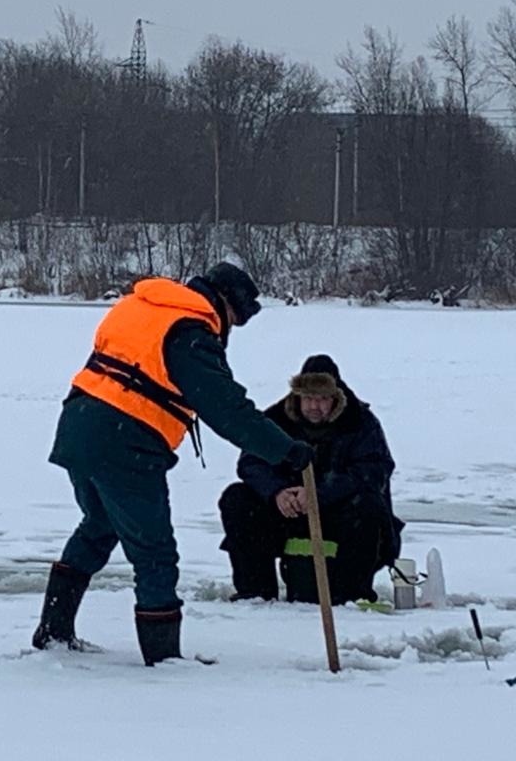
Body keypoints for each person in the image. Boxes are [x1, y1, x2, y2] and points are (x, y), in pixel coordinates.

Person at [32, 262, 315, 666]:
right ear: (224, 304)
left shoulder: (144, 306)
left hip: (78, 426)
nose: (230, 329)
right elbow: (226, 409)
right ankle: (164, 661)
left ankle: (54, 631)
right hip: (124, 441)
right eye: (235, 319)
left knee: (99, 526)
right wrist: (285, 450)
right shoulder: (190, 332)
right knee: (155, 553)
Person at [217, 354, 404, 605]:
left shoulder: (360, 422)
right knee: (237, 498)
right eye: (308, 398)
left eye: (322, 399)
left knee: (368, 506)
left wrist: (319, 494)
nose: (314, 406)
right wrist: (277, 492)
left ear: (335, 397)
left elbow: (373, 471)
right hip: (287, 512)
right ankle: (256, 593)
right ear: (297, 396)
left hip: (340, 515)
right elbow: (252, 462)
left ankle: (350, 596)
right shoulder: (274, 419)